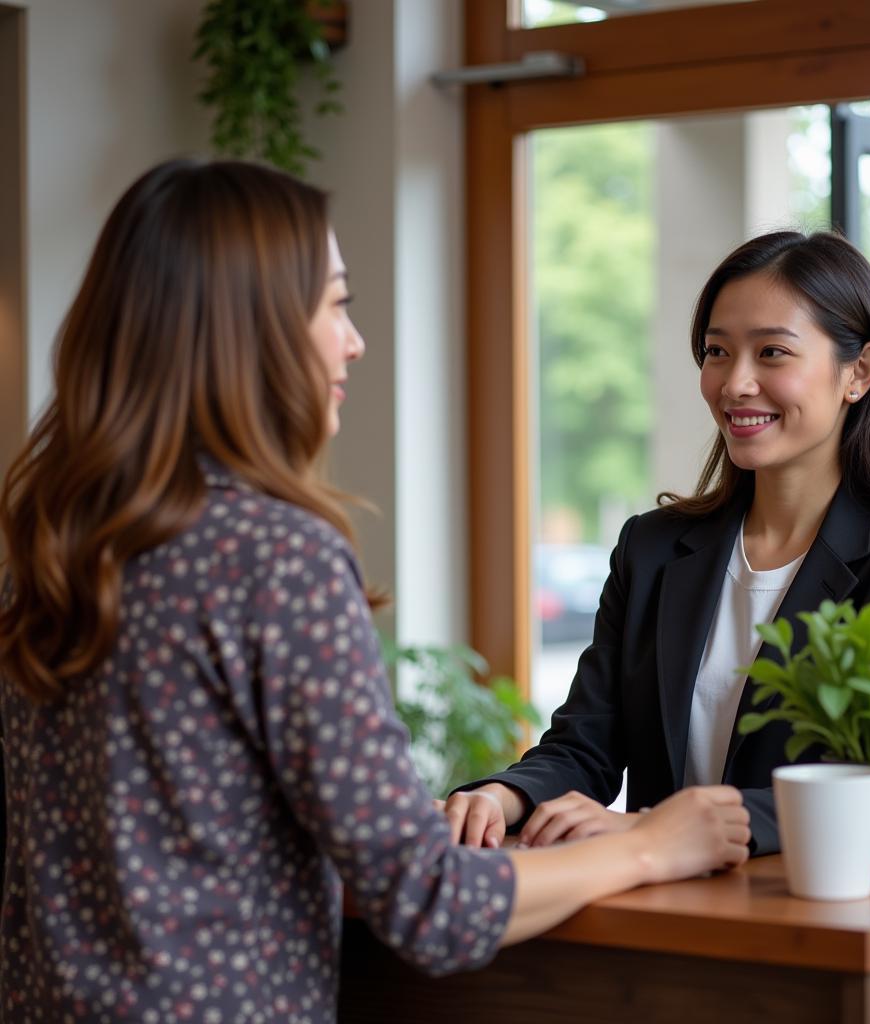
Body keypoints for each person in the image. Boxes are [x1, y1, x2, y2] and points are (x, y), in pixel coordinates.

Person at [0, 159, 750, 1022]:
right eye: (335, 305)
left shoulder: (55, 542)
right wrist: (651, 846)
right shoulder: (279, 557)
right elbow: (431, 905)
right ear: (251, 329)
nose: (352, 341)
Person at [445, 230, 870, 856]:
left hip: (813, 918)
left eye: (772, 353)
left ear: (857, 371)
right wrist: (503, 796)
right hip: (662, 915)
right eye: (717, 351)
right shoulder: (651, 549)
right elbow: (584, 743)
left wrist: (659, 827)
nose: (734, 384)